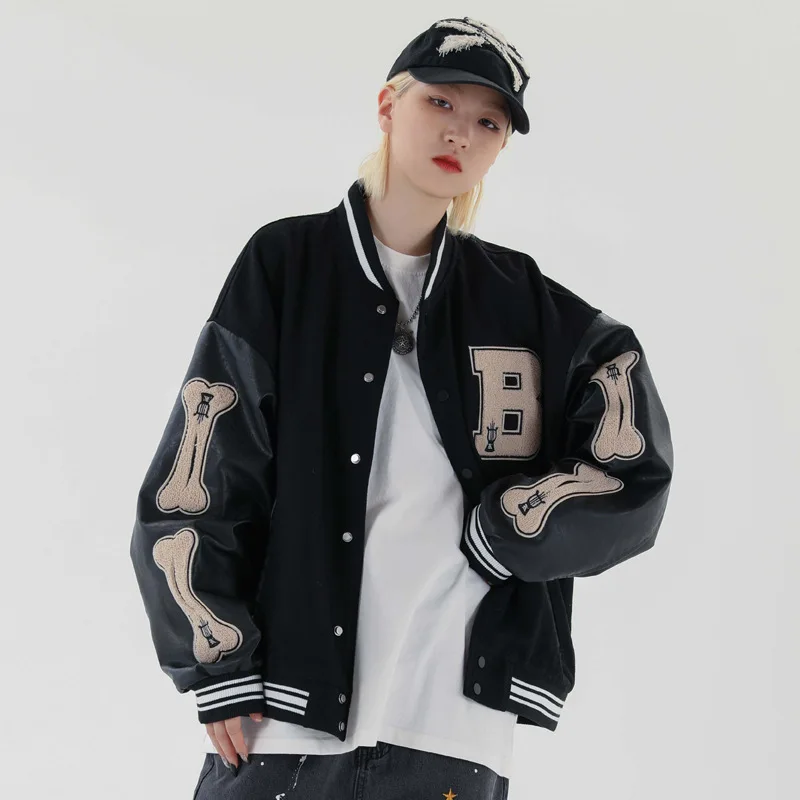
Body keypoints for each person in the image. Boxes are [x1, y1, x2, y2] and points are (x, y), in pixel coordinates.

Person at [129, 16, 673, 799]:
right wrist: (215, 661)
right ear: (388, 105)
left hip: (452, 721)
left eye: (487, 122)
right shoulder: (287, 265)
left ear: (501, 146)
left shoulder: (525, 305)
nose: (460, 132)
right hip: (287, 707)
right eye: (440, 102)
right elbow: (206, 464)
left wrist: (507, 532)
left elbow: (633, 465)